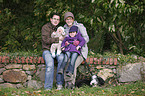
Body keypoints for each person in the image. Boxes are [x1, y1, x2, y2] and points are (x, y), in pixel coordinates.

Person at [56, 12, 89, 89]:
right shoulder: (64, 29)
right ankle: (67, 84)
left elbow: (86, 38)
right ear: (65, 20)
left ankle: (71, 84)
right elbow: (62, 39)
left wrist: (79, 43)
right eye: (67, 19)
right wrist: (65, 44)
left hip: (79, 52)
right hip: (68, 51)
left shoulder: (79, 26)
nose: (69, 21)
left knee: (72, 63)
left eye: (70, 19)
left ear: (73, 19)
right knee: (66, 61)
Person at [41, 12, 64, 90]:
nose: (56, 21)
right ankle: (48, 88)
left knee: (61, 59)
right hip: (47, 50)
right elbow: (46, 40)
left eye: (57, 19)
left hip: (58, 50)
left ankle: (59, 84)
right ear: (51, 19)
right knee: (50, 64)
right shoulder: (45, 28)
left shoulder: (60, 29)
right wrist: (58, 39)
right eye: (54, 19)